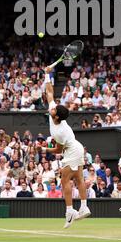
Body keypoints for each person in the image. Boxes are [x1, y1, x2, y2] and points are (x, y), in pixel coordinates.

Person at [39, 67, 90, 228]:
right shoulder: (54, 113)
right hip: (78, 147)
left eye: (53, 109)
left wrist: (45, 150)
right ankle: (83, 206)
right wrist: (47, 73)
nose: (51, 108)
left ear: (57, 116)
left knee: (64, 180)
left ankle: (70, 211)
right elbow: (49, 92)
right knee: (79, 178)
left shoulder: (60, 132)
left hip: (72, 150)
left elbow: (59, 151)